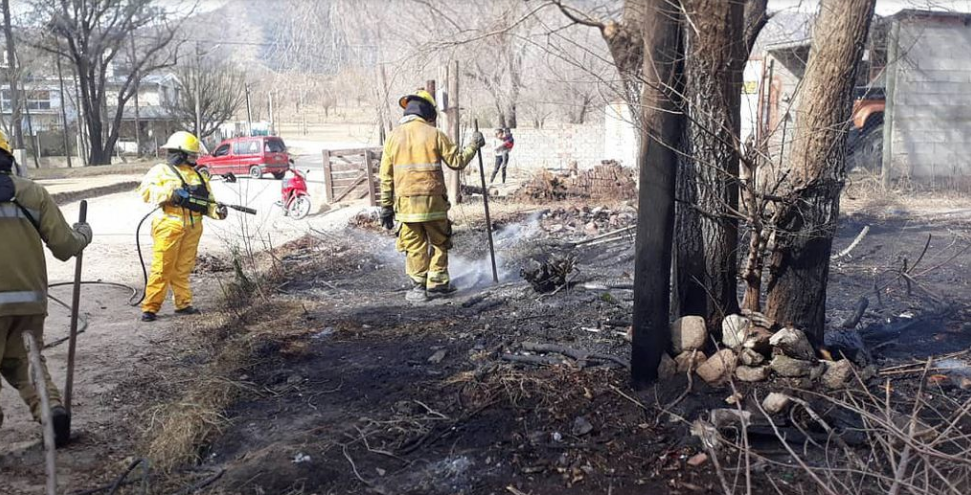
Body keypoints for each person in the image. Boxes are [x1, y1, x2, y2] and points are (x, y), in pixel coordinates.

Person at [0, 130, 92, 447]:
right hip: (29, 303)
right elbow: (66, 246)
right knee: (27, 362)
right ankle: (51, 411)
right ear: (8, 158)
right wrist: (83, 234)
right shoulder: (32, 192)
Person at [378, 89, 485, 302]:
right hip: (434, 205)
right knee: (439, 242)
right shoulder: (434, 134)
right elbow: (457, 161)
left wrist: (386, 207)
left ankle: (418, 289)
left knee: (414, 246)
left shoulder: (392, 137)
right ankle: (437, 285)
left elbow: (386, 177)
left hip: (406, 207)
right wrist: (474, 144)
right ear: (428, 112)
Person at [138, 131, 227, 322]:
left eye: (196, 154)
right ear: (180, 153)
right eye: (192, 154)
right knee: (162, 268)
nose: (195, 158)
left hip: (193, 228)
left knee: (183, 269)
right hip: (169, 225)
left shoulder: (198, 175)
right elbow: (146, 192)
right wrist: (170, 194)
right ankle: (151, 307)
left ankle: (183, 304)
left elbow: (208, 202)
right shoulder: (162, 171)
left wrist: (217, 211)